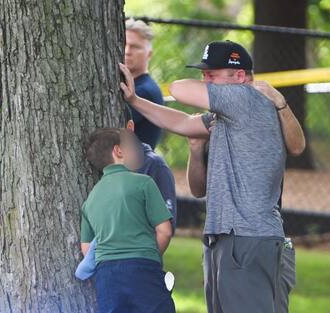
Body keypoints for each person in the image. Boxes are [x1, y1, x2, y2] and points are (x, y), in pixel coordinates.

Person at [119, 40, 305, 313]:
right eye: (203, 74)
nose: (205, 79)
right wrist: (135, 101)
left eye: (211, 74)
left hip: (248, 237)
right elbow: (182, 123)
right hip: (226, 237)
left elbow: (179, 88)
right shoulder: (226, 114)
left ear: (239, 76)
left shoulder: (246, 98)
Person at [186, 133, 297, 313]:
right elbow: (198, 190)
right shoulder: (217, 125)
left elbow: (297, 144)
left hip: (253, 240)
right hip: (218, 241)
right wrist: (196, 148)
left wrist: (136, 102)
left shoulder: (260, 122)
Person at [76, 106, 177, 280]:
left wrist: (145, 262)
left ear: (130, 128)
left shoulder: (154, 167)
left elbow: (166, 227)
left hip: (141, 268)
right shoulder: (100, 189)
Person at [80, 128, 174, 313]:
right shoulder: (144, 182)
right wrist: (150, 256)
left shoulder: (90, 199)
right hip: (143, 267)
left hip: (106, 276)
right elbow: (165, 230)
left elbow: (87, 249)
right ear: (119, 151)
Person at [125, 18, 165, 149]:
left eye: (135, 47)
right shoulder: (134, 86)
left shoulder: (144, 91)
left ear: (149, 54)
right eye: (124, 44)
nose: (127, 51)